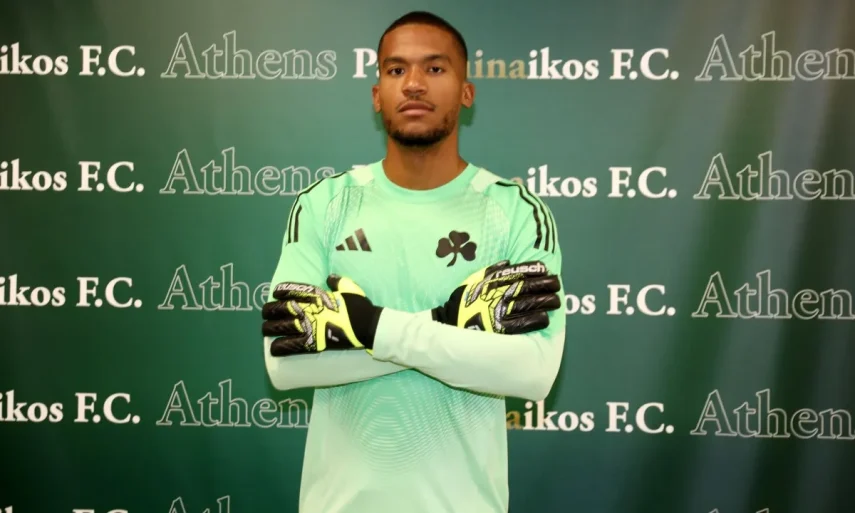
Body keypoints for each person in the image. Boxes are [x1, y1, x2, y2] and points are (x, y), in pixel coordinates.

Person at [260, 10, 566, 513]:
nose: (414, 84)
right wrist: (446, 322)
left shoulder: (515, 210)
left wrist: (365, 327)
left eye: (435, 68)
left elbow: (532, 373)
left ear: (466, 92)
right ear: (377, 94)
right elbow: (283, 364)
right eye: (396, 69)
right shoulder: (324, 203)